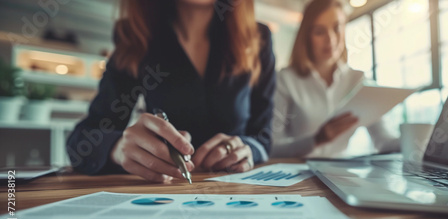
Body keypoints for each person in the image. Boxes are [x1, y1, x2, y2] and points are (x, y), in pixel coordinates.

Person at [67, 0, 276, 182]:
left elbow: (262, 136)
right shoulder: (135, 36)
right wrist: (118, 148)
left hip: (236, 190)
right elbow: (83, 140)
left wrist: (248, 149)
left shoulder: (259, 38)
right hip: (163, 191)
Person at [271, 0, 398, 158]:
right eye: (319, 32)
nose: (330, 39)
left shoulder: (358, 79)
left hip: (341, 175)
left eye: (337, 28)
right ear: (307, 36)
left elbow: (384, 141)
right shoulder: (285, 80)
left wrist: (418, 141)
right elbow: (272, 147)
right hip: (297, 175)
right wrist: (316, 140)